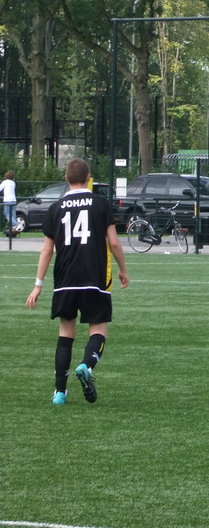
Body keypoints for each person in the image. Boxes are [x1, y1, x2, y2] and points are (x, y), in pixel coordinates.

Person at [25, 158, 129, 405]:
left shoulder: (56, 208)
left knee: (65, 334)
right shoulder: (100, 204)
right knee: (98, 330)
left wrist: (38, 285)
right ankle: (86, 365)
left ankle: (60, 393)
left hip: (65, 280)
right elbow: (114, 242)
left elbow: (47, 250)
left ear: (66, 178)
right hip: (95, 278)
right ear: (89, 177)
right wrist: (123, 270)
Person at [2, 169, 17, 235]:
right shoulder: (13, 183)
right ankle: (13, 227)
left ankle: (14, 224)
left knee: (7, 213)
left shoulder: (5, 182)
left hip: (7, 200)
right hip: (13, 200)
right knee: (13, 214)